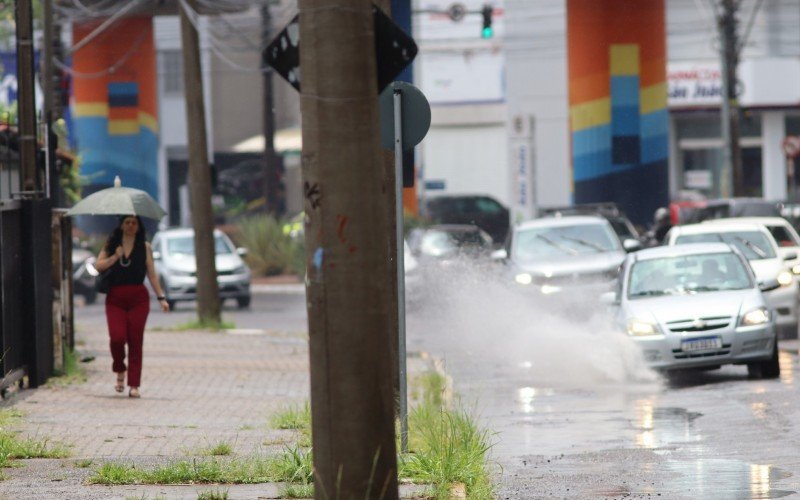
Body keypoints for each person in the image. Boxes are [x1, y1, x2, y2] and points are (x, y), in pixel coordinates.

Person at [94, 215, 170, 398]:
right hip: (115, 297)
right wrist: (115, 257)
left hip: (138, 298)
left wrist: (161, 297)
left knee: (136, 340)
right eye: (127, 222)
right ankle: (120, 369)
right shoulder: (111, 244)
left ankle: (134, 384)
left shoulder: (145, 247)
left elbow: (152, 274)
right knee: (117, 337)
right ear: (121, 225)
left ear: (138, 226)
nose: (130, 226)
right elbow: (98, 266)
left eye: (134, 223)